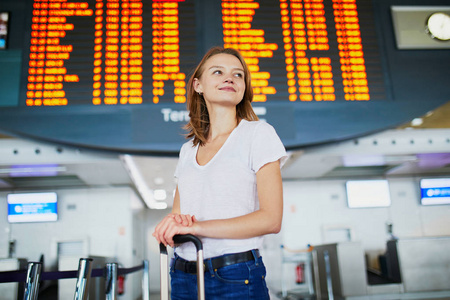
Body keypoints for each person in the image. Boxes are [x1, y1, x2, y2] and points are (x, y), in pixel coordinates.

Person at [153, 46, 287, 300]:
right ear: (198, 85)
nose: (230, 78)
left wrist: (198, 227)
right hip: (182, 275)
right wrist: (171, 226)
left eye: (238, 75)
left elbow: (271, 220)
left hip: (235, 275)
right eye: (218, 72)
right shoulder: (187, 150)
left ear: (244, 88)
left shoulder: (258, 134)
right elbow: (180, 217)